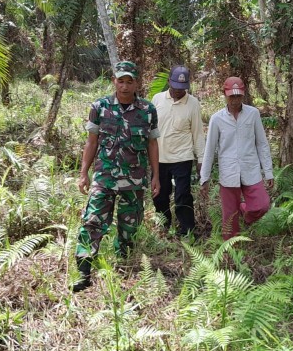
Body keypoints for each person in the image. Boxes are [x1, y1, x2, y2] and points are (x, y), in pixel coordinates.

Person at [73, 60, 160, 292]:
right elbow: (91, 142)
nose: (124, 86)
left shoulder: (148, 110)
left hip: (134, 179)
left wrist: (156, 176)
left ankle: (124, 267)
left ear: (136, 83)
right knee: (92, 221)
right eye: (120, 81)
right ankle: (84, 272)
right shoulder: (100, 107)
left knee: (129, 225)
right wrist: (83, 173)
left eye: (129, 81)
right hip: (104, 177)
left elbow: (152, 144)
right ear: (114, 81)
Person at [200, 76, 273, 240]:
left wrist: (268, 172)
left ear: (243, 94)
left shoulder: (252, 114)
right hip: (228, 173)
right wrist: (204, 178)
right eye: (231, 96)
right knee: (229, 219)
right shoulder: (217, 119)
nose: (235, 100)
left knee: (262, 205)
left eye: (238, 96)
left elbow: (261, 143)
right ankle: (231, 253)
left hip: (251, 170)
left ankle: (245, 211)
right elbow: (210, 150)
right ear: (224, 94)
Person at [152, 65, 206, 237]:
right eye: (175, 87)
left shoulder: (193, 103)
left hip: (183, 157)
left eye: (182, 89)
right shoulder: (157, 99)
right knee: (159, 195)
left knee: (183, 195)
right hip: (160, 157)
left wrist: (201, 159)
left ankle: (187, 230)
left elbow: (197, 133)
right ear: (169, 82)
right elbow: (150, 130)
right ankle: (164, 224)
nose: (178, 91)